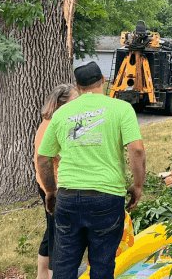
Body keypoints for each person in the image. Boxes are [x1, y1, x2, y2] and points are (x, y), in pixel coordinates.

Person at [37, 62, 146, 279]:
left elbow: (42, 158)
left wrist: (50, 191)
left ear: (77, 86)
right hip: (107, 197)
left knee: (65, 266)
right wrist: (138, 185)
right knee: (102, 266)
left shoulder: (61, 114)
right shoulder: (121, 109)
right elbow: (137, 150)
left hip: (68, 197)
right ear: (103, 80)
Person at [35, 83, 79, 279]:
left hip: (47, 184)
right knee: (59, 238)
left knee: (50, 232)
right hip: (53, 186)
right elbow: (44, 159)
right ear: (62, 103)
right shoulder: (53, 125)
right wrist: (52, 191)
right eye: (74, 101)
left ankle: (41, 275)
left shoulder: (51, 121)